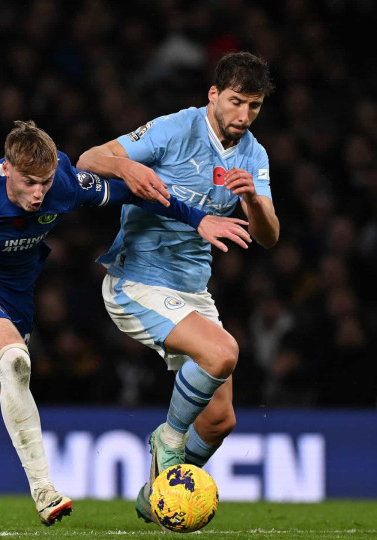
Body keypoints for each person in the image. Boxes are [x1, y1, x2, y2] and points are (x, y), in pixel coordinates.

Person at [0, 120, 251, 525]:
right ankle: (44, 490)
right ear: (7, 169)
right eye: (29, 182)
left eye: (46, 182)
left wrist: (197, 219)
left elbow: (138, 195)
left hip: (19, 289)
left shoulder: (66, 184)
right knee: (16, 360)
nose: (39, 193)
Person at [76, 51, 280, 526]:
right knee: (223, 352)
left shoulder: (254, 154)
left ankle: (158, 493)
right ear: (213, 94)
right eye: (235, 102)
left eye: (254, 106)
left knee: (218, 421)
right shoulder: (175, 129)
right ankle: (166, 440)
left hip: (191, 290)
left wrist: (251, 199)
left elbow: (269, 237)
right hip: (137, 281)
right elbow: (90, 158)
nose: (243, 116)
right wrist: (129, 169)